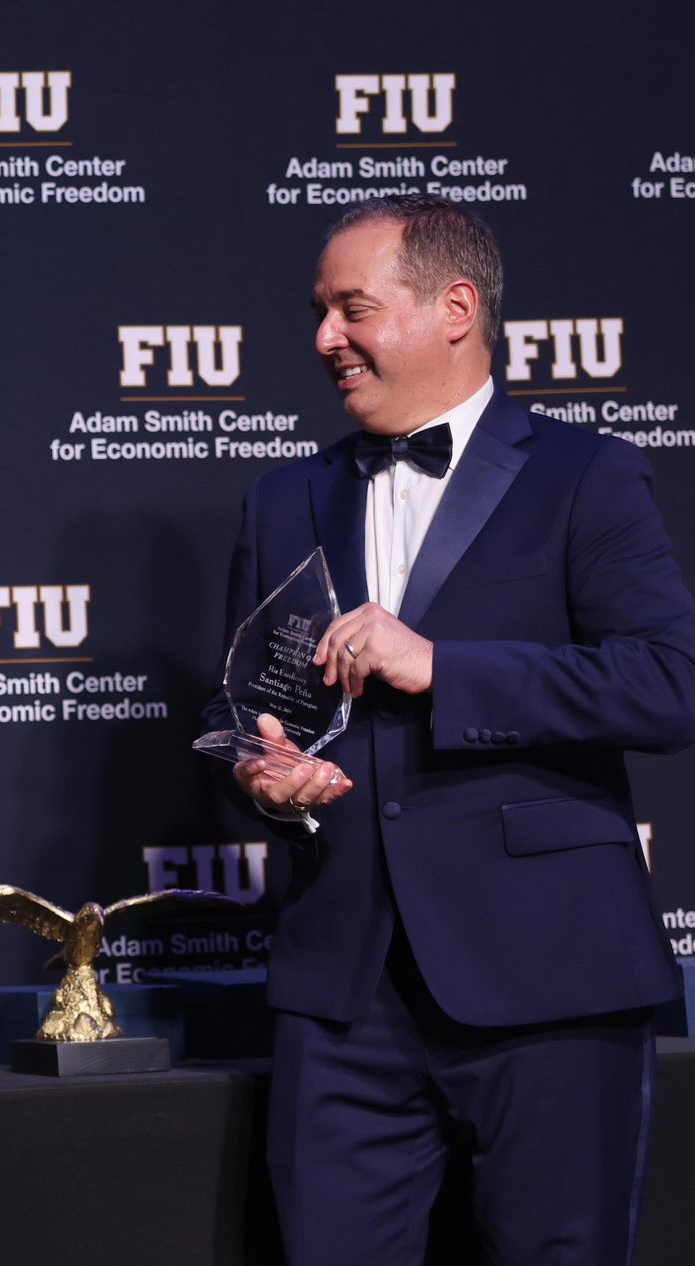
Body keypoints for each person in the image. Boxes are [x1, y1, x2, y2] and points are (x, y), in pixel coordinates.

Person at [215, 193, 695, 1265]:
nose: (321, 339)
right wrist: (259, 769)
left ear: (453, 308)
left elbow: (667, 683)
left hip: (548, 980)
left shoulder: (586, 475)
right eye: (318, 311)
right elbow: (237, 707)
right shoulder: (280, 497)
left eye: (351, 308)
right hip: (340, 995)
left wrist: (443, 670)